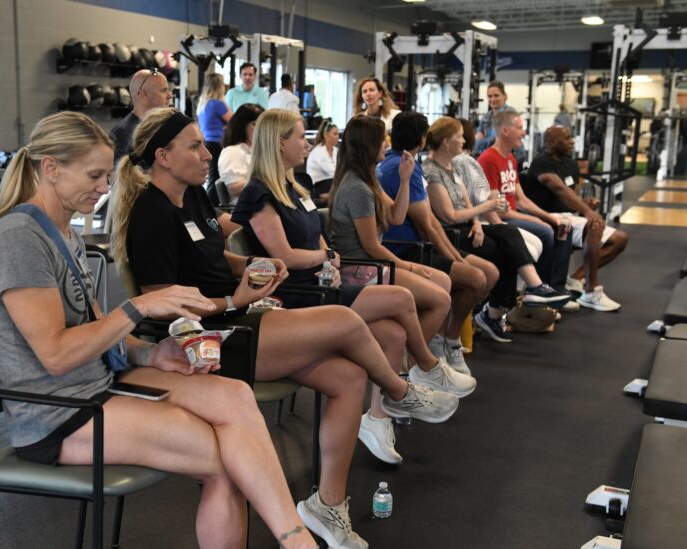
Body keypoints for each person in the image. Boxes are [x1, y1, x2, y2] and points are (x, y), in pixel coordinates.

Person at [112, 107, 461, 548]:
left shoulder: (194, 197)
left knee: (350, 376)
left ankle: (328, 507)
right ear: (162, 155)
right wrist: (231, 299)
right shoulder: (150, 213)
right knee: (345, 320)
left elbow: (216, 259)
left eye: (203, 143)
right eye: (195, 146)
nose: (207, 153)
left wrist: (252, 265)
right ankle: (399, 390)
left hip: (238, 313)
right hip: (203, 338)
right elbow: (161, 305)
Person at [0, 111, 318, 549]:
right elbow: (56, 355)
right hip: (55, 414)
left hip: (98, 384)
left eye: (105, 176)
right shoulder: (18, 240)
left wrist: (148, 354)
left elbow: (100, 329)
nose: (104, 188)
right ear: (50, 167)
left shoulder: (65, 233)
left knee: (235, 396)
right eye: (95, 176)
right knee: (226, 461)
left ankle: (296, 538)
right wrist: (137, 308)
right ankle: (297, 540)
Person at [231, 109, 475, 465]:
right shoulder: (259, 193)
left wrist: (324, 257)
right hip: (296, 295)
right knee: (402, 297)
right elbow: (282, 255)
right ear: (279, 143)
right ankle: (424, 367)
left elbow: (316, 238)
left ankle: (378, 418)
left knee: (392, 333)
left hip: (320, 281)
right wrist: (324, 256)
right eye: (301, 137)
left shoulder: (291, 186)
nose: (307, 142)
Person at [424, 117, 569, 343]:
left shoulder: (450, 165)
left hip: (468, 226)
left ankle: (534, 288)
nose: (464, 140)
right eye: (459, 136)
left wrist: (476, 223)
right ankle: (495, 312)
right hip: (451, 233)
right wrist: (485, 208)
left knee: (509, 234)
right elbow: (448, 216)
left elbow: (466, 202)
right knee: (507, 250)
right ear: (446, 142)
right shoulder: (432, 172)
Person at [379, 111, 497, 373]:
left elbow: (431, 220)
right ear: (421, 139)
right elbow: (427, 225)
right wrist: (456, 259)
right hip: (409, 251)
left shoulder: (407, 163)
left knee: (489, 273)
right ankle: (437, 348)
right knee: (476, 278)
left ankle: (448, 340)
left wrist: (456, 256)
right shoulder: (399, 166)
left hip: (420, 245)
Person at [524, 126, 628, 311]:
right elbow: (559, 189)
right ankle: (591, 290)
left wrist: (586, 204)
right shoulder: (540, 163)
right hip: (546, 218)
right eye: (568, 138)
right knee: (593, 223)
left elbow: (572, 197)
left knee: (619, 239)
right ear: (554, 142)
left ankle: (576, 279)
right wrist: (588, 211)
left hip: (569, 218)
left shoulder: (571, 165)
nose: (572, 141)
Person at [478, 110, 575, 293]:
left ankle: (557, 287)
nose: (524, 132)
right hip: (500, 218)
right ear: (506, 131)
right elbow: (497, 211)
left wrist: (548, 217)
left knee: (561, 226)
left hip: (512, 214)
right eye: (520, 128)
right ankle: (538, 292)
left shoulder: (510, 158)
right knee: (546, 231)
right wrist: (538, 220)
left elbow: (522, 200)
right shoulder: (488, 159)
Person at [453, 119, 547, 267]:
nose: (524, 132)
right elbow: (482, 204)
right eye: (520, 128)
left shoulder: (507, 159)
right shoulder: (480, 160)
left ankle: (535, 286)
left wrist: (543, 217)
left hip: (487, 216)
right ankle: (535, 286)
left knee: (538, 240)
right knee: (539, 238)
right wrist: (496, 224)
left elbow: (514, 200)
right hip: (481, 220)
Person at [110, 68, 172, 163]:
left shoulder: (160, 128)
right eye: (163, 91)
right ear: (144, 95)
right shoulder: (123, 134)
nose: (169, 95)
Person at [218, 103, 264, 203]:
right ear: (242, 125)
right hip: (247, 209)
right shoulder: (232, 152)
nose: (261, 130)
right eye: (256, 125)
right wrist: (265, 179)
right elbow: (234, 188)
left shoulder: (254, 150)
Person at [196, 73, 232, 187]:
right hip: (217, 143)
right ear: (219, 86)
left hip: (207, 143)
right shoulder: (217, 104)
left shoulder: (203, 104)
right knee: (216, 178)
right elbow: (235, 121)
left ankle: (212, 202)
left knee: (212, 177)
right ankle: (213, 203)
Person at [306, 118, 339, 199]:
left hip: (330, 184)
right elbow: (332, 172)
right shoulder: (319, 151)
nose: (337, 137)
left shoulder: (336, 150)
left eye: (338, 134)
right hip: (316, 186)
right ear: (326, 135)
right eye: (335, 134)